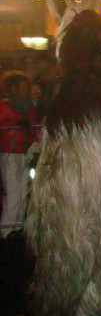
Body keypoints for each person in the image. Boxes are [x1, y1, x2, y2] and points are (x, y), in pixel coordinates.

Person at [0, 72, 39, 237]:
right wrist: (16, 124)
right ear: (13, 88)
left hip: (25, 151)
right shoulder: (4, 107)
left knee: (24, 190)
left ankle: (19, 225)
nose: (26, 90)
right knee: (12, 191)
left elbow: (33, 129)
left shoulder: (29, 107)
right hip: (9, 153)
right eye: (22, 87)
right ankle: (7, 228)